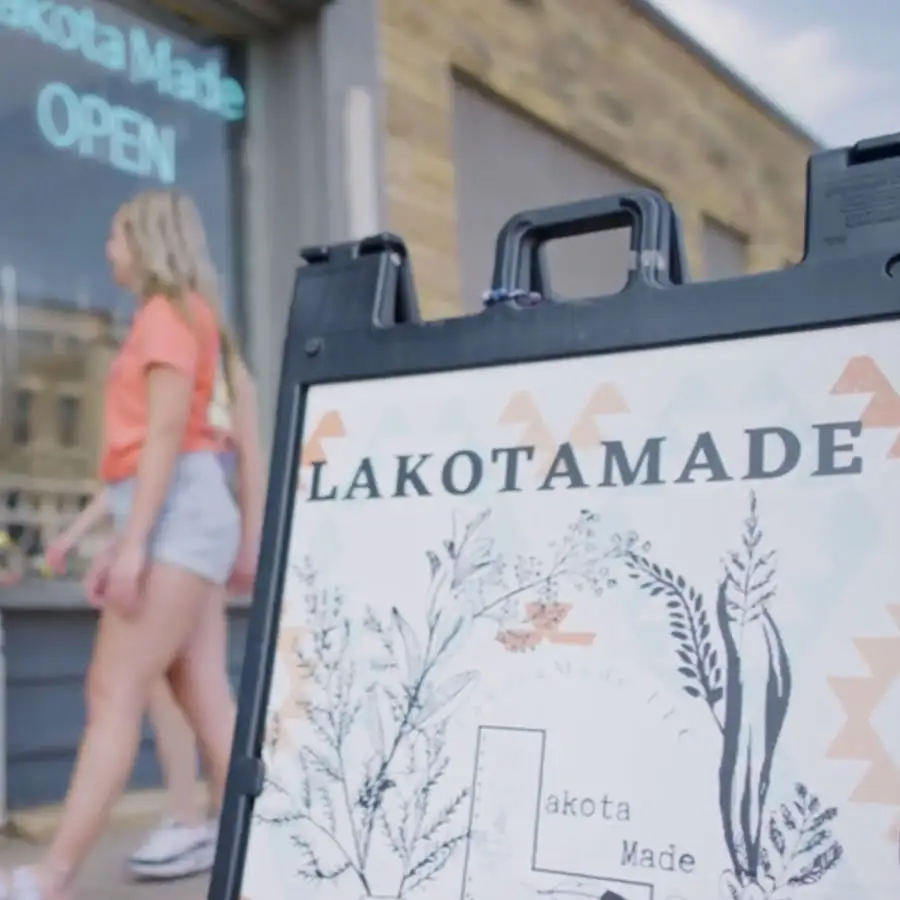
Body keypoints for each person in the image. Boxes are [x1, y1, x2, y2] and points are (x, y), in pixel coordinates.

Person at [2, 187, 262, 899]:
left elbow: (164, 443)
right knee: (205, 697)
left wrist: (133, 546)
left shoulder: (166, 320)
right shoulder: (179, 318)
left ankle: (50, 877)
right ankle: (288, 843)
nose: (108, 250)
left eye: (116, 238)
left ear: (146, 242)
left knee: (112, 691)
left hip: (177, 520)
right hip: (188, 518)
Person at [43, 341, 262, 883]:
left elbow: (241, 458)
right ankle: (236, 818)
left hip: (185, 539)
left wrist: (250, 543)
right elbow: (142, 470)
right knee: (196, 688)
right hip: (193, 536)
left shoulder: (203, 372)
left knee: (174, 687)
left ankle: (194, 817)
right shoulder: (197, 374)